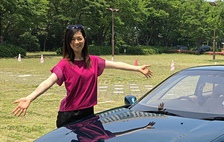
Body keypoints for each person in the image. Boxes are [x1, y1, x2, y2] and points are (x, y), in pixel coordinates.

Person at [12, 25, 153, 127]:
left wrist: (137, 68)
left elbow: (116, 65)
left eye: (79, 38)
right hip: (69, 115)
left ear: (84, 39)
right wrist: (30, 97)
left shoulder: (93, 61)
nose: (76, 42)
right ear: (68, 42)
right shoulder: (65, 64)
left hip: (88, 112)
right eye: (72, 39)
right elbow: (48, 81)